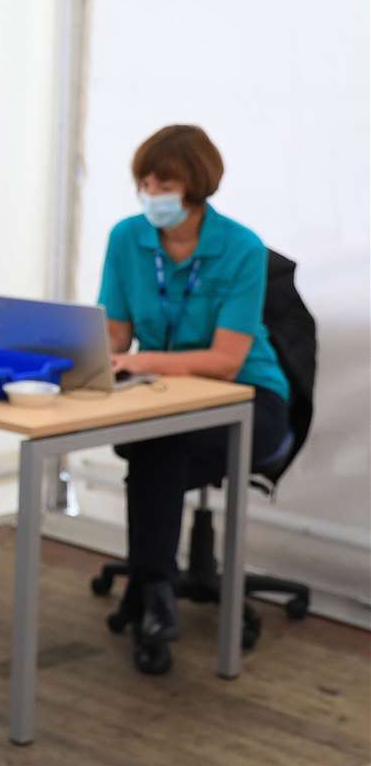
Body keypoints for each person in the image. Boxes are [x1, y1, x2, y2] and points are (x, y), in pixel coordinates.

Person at [97, 123, 291, 674]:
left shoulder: (241, 248)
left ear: (196, 185)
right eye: (145, 179)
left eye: (165, 181)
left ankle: (151, 587)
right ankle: (154, 588)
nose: (151, 191)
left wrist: (140, 361)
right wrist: (83, 353)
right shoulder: (126, 238)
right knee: (158, 445)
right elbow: (114, 335)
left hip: (249, 398)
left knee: (156, 453)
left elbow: (227, 359)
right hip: (166, 396)